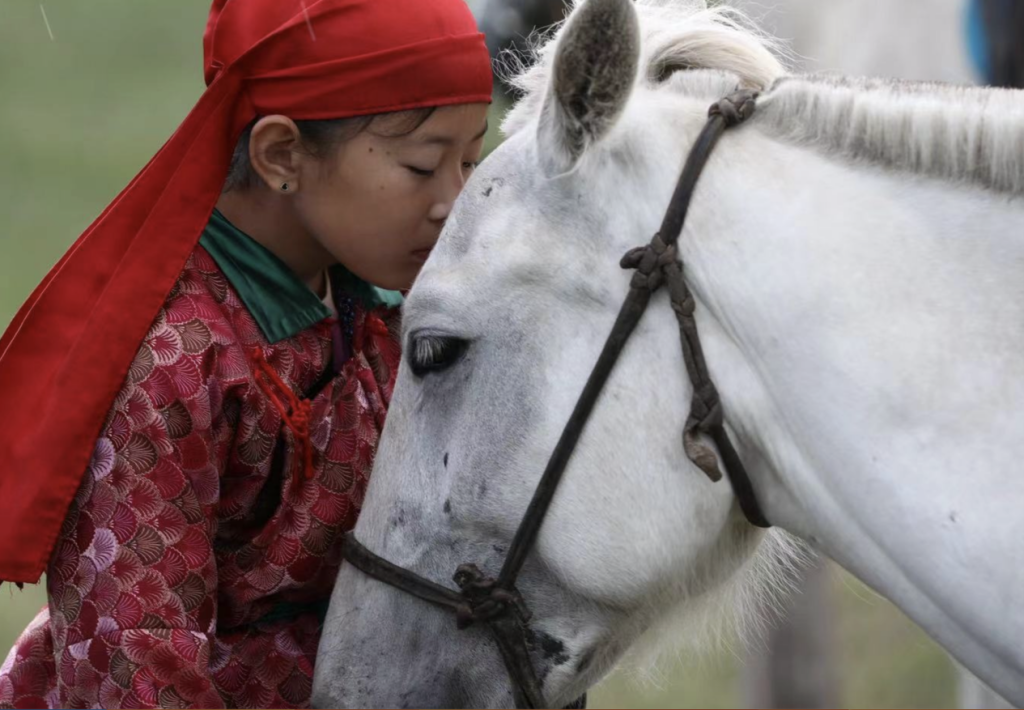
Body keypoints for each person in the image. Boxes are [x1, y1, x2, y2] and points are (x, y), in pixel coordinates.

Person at [0, 0, 491, 707]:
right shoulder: (174, 361)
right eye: (423, 168)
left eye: (472, 159)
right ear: (282, 155)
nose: (457, 202)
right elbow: (135, 659)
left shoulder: (383, 317)